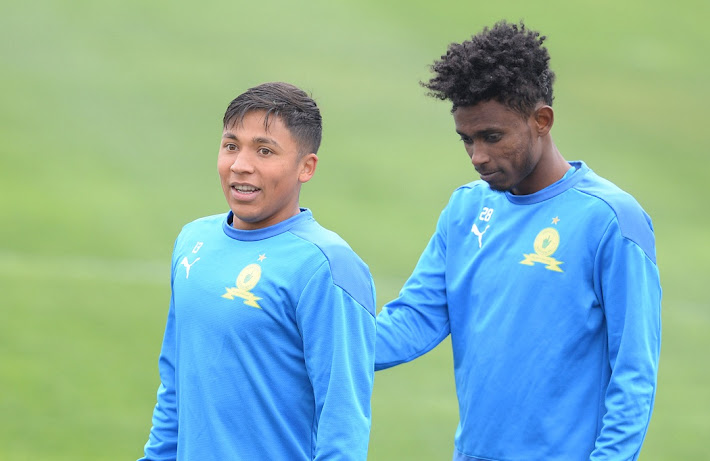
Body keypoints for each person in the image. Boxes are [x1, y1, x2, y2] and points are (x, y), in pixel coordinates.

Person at [375, 21, 662, 460]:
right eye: (466, 140)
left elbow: (634, 372)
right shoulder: (465, 209)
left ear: (541, 120)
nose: (478, 157)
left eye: (492, 137)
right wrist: (315, 344)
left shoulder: (610, 220)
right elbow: (415, 319)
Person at [139, 82, 376, 460]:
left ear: (306, 167)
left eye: (264, 151)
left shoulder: (326, 266)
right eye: (231, 146)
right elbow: (175, 384)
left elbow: (342, 422)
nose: (240, 165)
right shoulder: (192, 240)